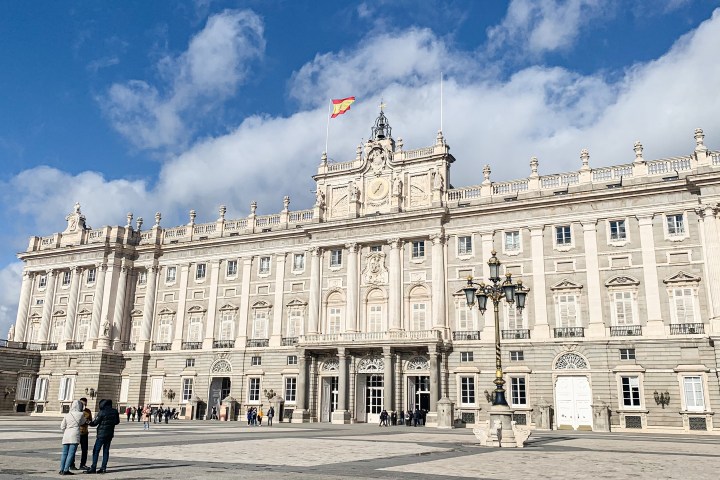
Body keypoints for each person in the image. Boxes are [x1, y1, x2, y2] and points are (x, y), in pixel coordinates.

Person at [86, 399, 120, 474]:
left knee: (96, 450)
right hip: (110, 434)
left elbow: (95, 423)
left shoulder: (102, 412)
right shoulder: (115, 411)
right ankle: (103, 467)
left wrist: (88, 422)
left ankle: (93, 467)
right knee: (106, 451)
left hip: (101, 434)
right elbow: (117, 422)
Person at [59, 399, 87, 475]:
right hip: (75, 434)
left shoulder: (67, 414)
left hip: (66, 434)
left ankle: (61, 469)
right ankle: (66, 470)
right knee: (71, 453)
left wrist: (66, 431)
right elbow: (83, 422)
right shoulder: (81, 414)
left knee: (64, 453)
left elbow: (62, 426)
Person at [68, 397, 93, 471]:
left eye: (85, 403)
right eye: (82, 403)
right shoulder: (75, 412)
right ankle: (71, 464)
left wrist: (88, 421)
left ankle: (83, 464)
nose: (84, 405)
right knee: (73, 449)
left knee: (84, 450)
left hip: (84, 432)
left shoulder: (88, 411)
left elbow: (90, 420)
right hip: (77, 432)